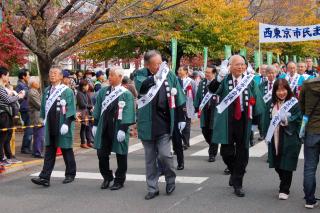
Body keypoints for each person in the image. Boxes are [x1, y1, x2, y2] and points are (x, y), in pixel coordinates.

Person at [210, 55, 265, 197]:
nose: (240, 67)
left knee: (243, 152)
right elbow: (212, 90)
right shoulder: (225, 80)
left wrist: (259, 123)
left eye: (243, 64)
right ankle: (234, 172)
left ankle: (238, 183)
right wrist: (219, 77)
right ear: (230, 66)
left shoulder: (250, 81)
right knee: (226, 152)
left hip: (244, 121)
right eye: (237, 64)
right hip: (227, 121)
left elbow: (257, 99)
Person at [134, 50, 186, 200]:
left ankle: (170, 179)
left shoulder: (168, 74)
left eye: (159, 63)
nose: (158, 66)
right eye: (155, 64)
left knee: (164, 155)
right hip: (147, 123)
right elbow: (141, 88)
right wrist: (153, 79)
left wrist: (181, 117)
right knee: (150, 158)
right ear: (147, 64)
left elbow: (179, 96)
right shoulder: (140, 74)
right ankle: (152, 187)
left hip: (164, 121)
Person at [31, 67, 77, 187]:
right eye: (51, 73)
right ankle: (45, 177)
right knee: (49, 151)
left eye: (55, 73)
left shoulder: (67, 91)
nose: (52, 75)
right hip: (50, 124)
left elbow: (71, 108)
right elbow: (43, 107)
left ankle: (70, 174)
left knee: (66, 149)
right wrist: (43, 118)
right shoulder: (47, 90)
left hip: (62, 124)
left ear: (61, 76)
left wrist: (67, 123)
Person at [92, 67, 135, 190]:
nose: (109, 77)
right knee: (101, 153)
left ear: (120, 77)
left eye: (112, 75)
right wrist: (95, 124)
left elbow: (128, 111)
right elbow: (98, 108)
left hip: (118, 127)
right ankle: (107, 177)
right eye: (109, 75)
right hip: (104, 126)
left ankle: (119, 179)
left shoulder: (126, 94)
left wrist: (123, 128)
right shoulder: (103, 91)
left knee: (121, 154)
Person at [263, 79, 302, 200]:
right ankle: (283, 180)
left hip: (289, 137)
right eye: (278, 90)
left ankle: (284, 189)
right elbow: (266, 119)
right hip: (274, 137)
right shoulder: (271, 103)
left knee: (287, 163)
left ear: (288, 90)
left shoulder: (294, 102)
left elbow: (299, 117)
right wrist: (265, 134)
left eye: (284, 90)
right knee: (277, 164)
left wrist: (287, 120)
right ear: (274, 91)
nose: (281, 93)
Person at [300, 76, 320, 209]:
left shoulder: (307, 84)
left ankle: (309, 199)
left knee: (310, 167)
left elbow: (301, 104)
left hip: (312, 129)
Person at [194, 65, 219, 162]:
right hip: (205, 111)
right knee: (205, 131)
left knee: (213, 131)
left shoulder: (218, 83)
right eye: (206, 72)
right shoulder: (202, 83)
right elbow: (198, 95)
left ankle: (212, 154)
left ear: (214, 73)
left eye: (208, 72)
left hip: (215, 110)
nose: (206, 74)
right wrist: (196, 107)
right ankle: (213, 145)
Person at [0, 67, 25, 166]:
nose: (8, 77)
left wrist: (14, 95)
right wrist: (19, 96)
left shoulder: (3, 87)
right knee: (2, 137)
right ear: (3, 76)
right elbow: (8, 100)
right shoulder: (0, 88)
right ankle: (2, 158)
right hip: (3, 115)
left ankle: (9, 156)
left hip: (7, 114)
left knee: (7, 136)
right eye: (8, 75)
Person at [177, 66, 197, 149]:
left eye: (181, 70)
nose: (179, 71)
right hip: (178, 106)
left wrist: (195, 106)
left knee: (187, 125)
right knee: (178, 125)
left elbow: (195, 93)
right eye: (179, 70)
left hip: (188, 105)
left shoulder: (191, 82)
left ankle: (186, 142)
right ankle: (179, 141)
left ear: (185, 72)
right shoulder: (176, 81)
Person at [16, 68, 33, 154]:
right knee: (29, 129)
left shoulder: (24, 85)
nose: (29, 76)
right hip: (25, 109)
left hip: (27, 108)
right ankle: (25, 147)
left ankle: (27, 147)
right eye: (28, 75)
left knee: (29, 129)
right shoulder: (20, 85)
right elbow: (24, 95)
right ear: (23, 76)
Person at [28, 77, 45, 158]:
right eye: (37, 82)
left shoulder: (35, 91)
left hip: (38, 116)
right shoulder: (32, 92)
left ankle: (36, 151)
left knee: (38, 135)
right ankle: (38, 152)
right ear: (33, 83)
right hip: (37, 116)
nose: (39, 83)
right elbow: (39, 105)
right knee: (39, 135)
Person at [259, 65, 277, 140]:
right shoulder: (261, 85)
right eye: (269, 73)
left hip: (275, 109)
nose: (271, 75)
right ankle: (264, 133)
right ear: (266, 74)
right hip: (264, 110)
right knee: (264, 124)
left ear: (276, 73)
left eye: (273, 73)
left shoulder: (279, 84)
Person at [76, 79, 94, 149]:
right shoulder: (79, 94)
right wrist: (90, 106)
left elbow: (90, 102)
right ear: (83, 86)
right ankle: (83, 142)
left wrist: (91, 106)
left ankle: (89, 141)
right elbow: (82, 105)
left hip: (88, 112)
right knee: (83, 128)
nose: (88, 86)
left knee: (88, 128)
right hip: (83, 113)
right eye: (87, 85)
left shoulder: (86, 93)